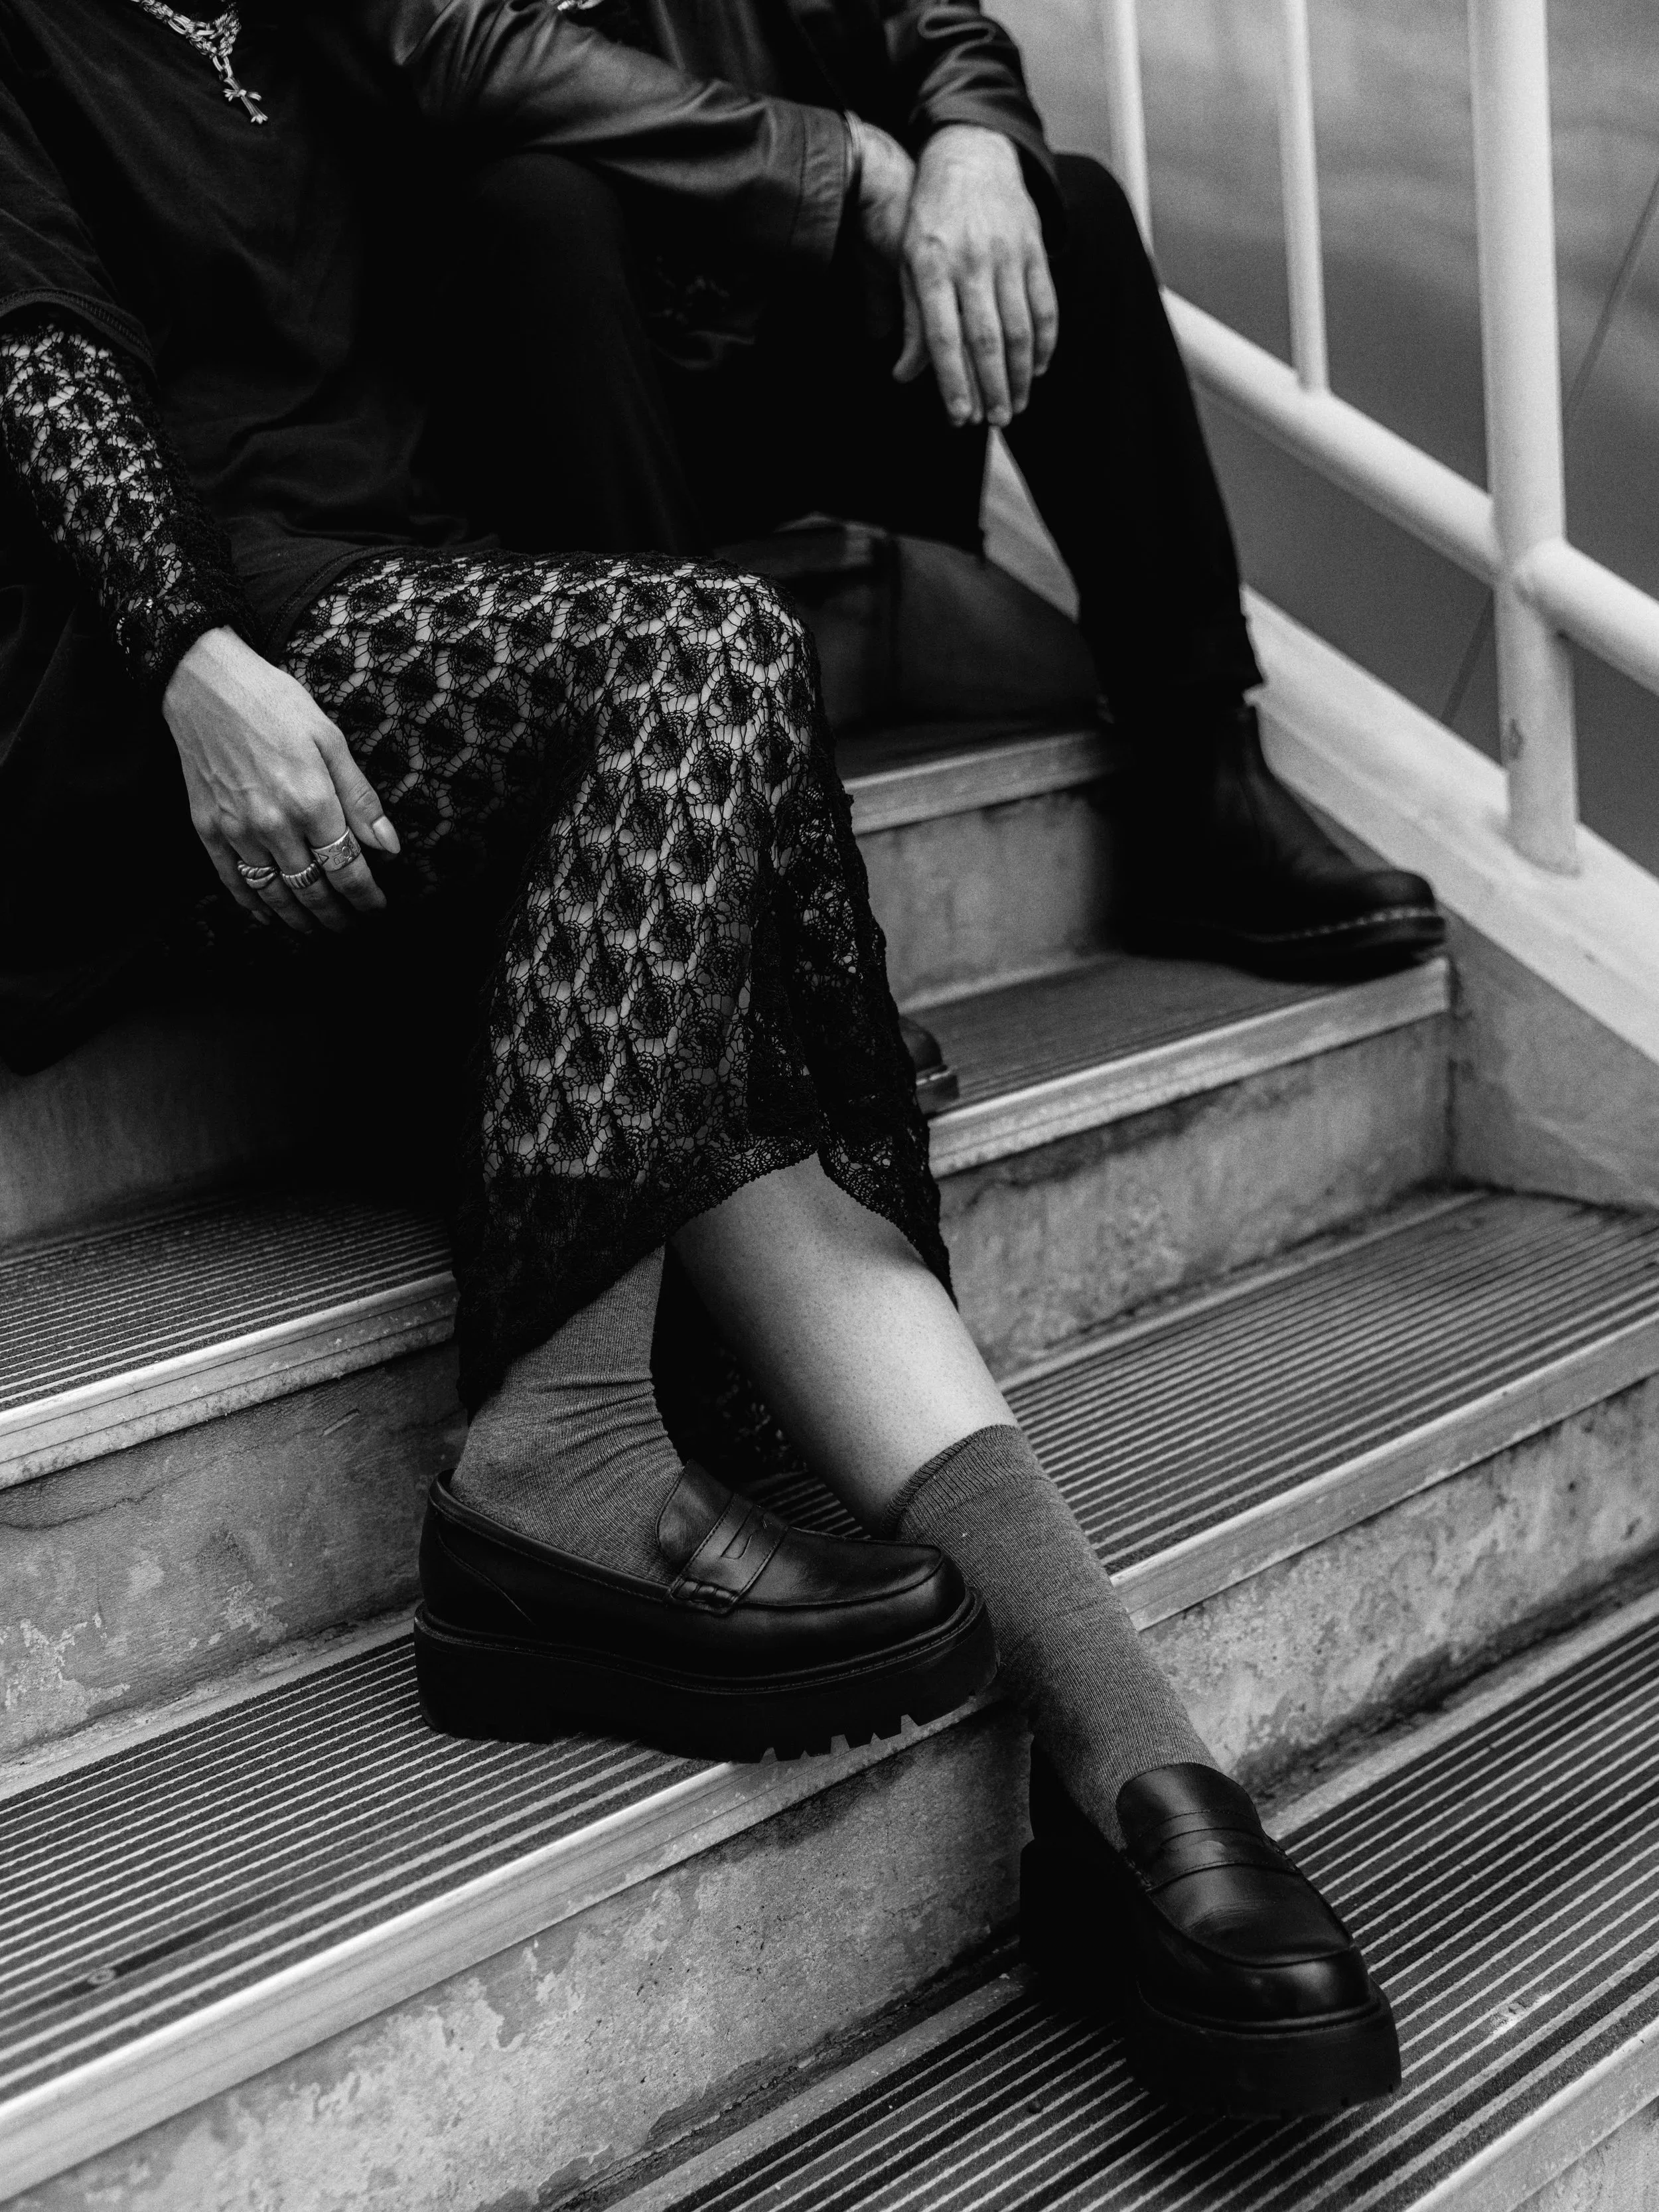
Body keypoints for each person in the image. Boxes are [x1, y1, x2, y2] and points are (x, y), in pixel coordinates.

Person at [0, 0, 1400, 2119]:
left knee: (720, 1058)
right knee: (704, 642)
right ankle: (546, 1454)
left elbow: (533, 107)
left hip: (441, 625)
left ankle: (1143, 1786)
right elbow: (39, 358)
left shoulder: (318, 31)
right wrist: (189, 656)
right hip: (202, 676)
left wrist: (944, 145)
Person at [327, 0, 1449, 1013]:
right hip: (563, 399)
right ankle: (724, 891)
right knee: (538, 208)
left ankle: (1203, 784)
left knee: (1073, 209)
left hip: (774, 335)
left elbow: (934, 21)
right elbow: (451, 49)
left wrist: (973, 137)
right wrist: (843, 163)